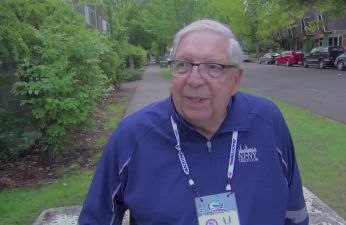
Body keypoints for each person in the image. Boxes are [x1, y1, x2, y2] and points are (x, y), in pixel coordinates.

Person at [79, 19, 309, 225]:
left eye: (213, 67)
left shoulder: (267, 122)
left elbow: (295, 213)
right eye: (183, 64)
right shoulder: (133, 136)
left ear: (235, 80)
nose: (195, 79)